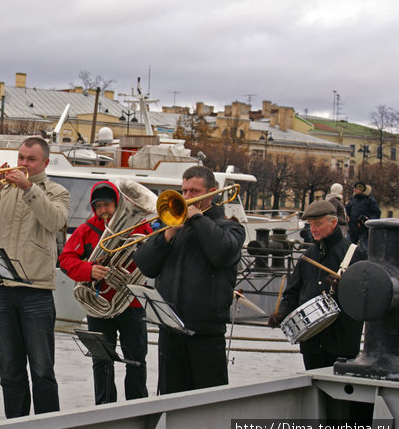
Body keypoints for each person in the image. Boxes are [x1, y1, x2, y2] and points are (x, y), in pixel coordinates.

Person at [0, 136, 70, 418]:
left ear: (45, 162)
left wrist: (28, 188)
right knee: (9, 370)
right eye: (21, 158)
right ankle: (16, 426)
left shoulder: (57, 192)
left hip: (36, 289)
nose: (23, 163)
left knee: (42, 370)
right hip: (2, 287)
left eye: (31, 159)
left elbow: (55, 221)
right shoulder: (4, 189)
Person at [132, 166, 245, 394]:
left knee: (207, 404)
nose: (187, 197)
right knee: (170, 402)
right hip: (171, 332)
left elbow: (222, 252)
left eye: (194, 191)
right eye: (184, 191)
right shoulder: (173, 230)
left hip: (205, 334)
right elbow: (145, 265)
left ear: (211, 193)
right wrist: (168, 234)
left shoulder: (230, 228)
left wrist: (198, 218)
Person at [59, 181, 151, 405]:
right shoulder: (86, 230)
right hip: (98, 305)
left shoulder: (138, 226)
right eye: (98, 206)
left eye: (107, 204)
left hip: (131, 304)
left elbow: (152, 254)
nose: (103, 210)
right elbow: (65, 260)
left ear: (116, 203)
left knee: (136, 360)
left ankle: (138, 407)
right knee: (101, 361)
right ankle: (104, 408)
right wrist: (90, 270)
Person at [268, 200, 365, 370]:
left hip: (341, 343)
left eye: (318, 224)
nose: (313, 229)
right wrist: (282, 314)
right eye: (310, 224)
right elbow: (292, 293)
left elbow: (365, 298)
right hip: (312, 344)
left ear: (333, 223)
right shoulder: (307, 257)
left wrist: (345, 288)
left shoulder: (354, 254)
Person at [345, 181, 380, 252]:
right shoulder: (353, 199)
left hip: (363, 230)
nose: (355, 190)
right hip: (352, 229)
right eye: (355, 188)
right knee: (348, 249)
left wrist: (368, 220)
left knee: (365, 249)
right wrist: (347, 216)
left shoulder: (369, 200)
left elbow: (377, 213)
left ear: (362, 189)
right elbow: (347, 209)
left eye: (357, 188)